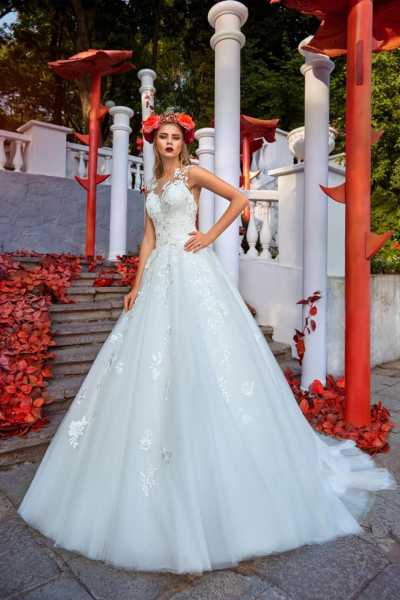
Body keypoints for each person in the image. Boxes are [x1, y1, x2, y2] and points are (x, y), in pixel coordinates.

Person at [17, 110, 397, 575]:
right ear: (154, 143)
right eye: (163, 137)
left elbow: (238, 198)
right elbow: (148, 240)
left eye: (175, 137)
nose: (169, 143)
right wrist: (136, 285)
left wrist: (209, 236)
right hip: (158, 278)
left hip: (193, 272)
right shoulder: (152, 186)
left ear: (183, 142)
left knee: (210, 359)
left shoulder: (193, 174)